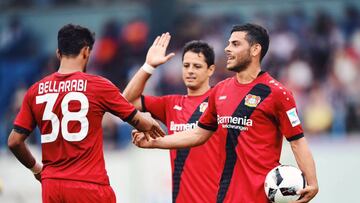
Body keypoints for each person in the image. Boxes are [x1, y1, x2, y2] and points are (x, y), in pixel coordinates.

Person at [133, 23, 319, 203]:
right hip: (226, 196)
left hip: (260, 196)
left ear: (255, 50)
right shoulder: (220, 90)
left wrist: (312, 182)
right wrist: (155, 142)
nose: (227, 49)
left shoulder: (277, 93)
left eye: (235, 44)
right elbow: (198, 133)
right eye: (228, 43)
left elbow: (297, 141)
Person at [7, 24, 164, 203]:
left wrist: (37, 169)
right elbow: (140, 122)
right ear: (86, 52)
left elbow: (14, 141)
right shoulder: (98, 86)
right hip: (89, 185)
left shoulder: (35, 91)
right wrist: (149, 121)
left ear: (59, 53)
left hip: (52, 186)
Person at [123, 33, 226, 203]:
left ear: (211, 70)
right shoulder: (170, 104)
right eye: (186, 65)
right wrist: (148, 66)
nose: (190, 70)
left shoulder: (220, 100)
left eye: (197, 66)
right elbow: (127, 101)